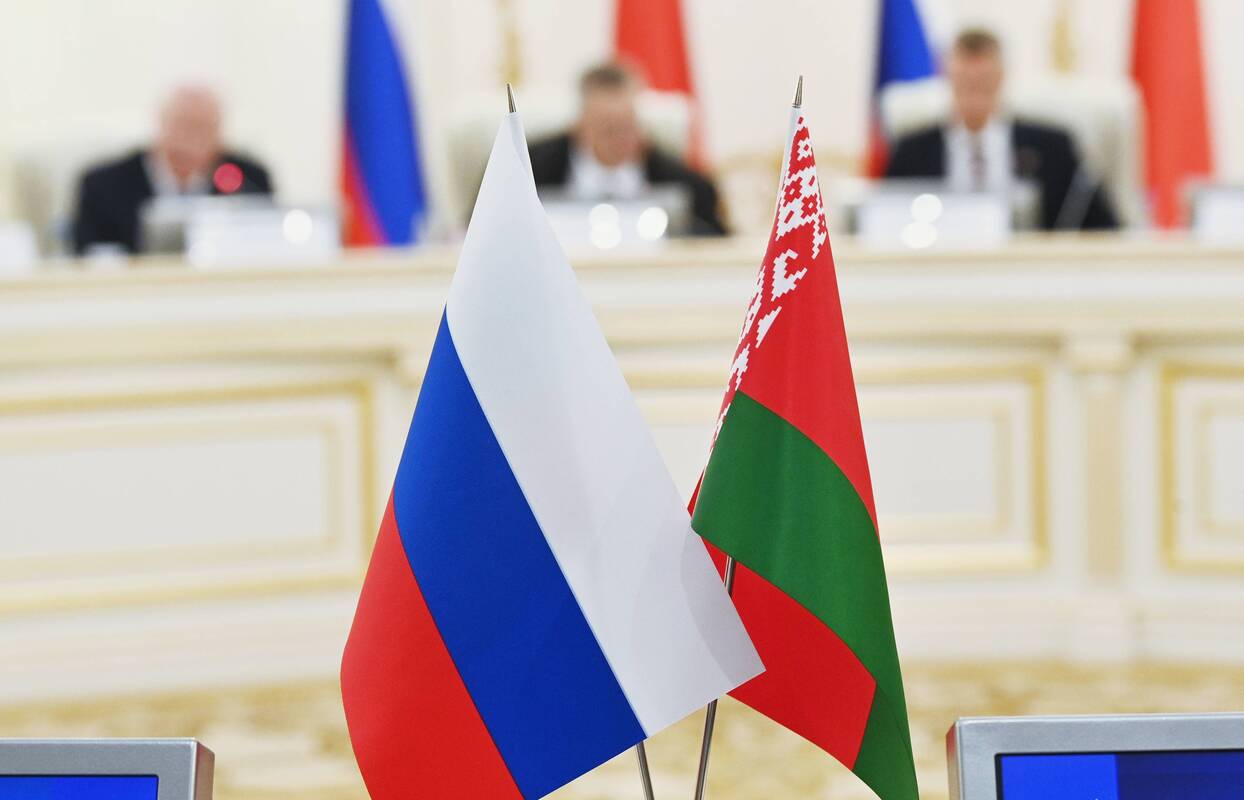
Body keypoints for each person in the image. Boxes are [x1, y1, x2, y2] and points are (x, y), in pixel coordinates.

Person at [885, 28, 1118, 231]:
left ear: (1001, 77)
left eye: (983, 82)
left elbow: (1105, 229)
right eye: (966, 82)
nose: (975, 91)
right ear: (948, 79)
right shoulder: (911, 152)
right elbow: (884, 223)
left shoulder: (1052, 148)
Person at [528, 63, 727, 236]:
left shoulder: (688, 187)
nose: (618, 139)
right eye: (607, 128)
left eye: (626, 127)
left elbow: (714, 242)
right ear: (580, 125)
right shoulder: (532, 173)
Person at [71, 85, 273, 255]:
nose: (192, 138)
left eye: (203, 128)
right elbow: (87, 256)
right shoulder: (105, 184)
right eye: (183, 125)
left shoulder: (247, 179)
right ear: (160, 124)